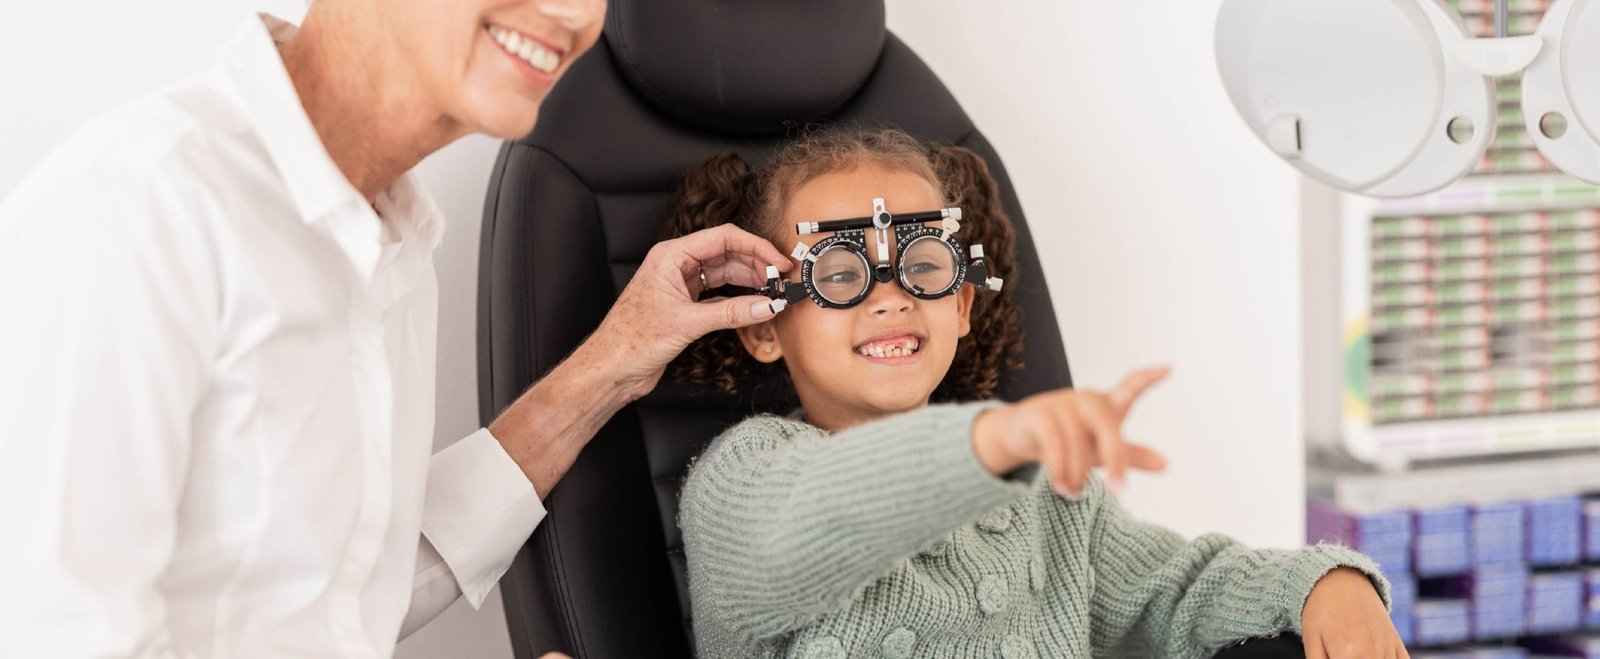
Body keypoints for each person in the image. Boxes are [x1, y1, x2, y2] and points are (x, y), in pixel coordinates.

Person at [0, 0, 792, 656]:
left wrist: (616, 359)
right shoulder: (137, 205)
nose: (576, 13)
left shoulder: (397, 247)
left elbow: (340, 595)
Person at [667, 127, 1409, 659]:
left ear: (961, 303)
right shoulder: (741, 481)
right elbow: (823, 509)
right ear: (765, 325)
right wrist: (999, 440)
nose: (891, 297)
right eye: (838, 273)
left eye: (923, 265)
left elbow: (1177, 588)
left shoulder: (1047, 496)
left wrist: (1324, 583)